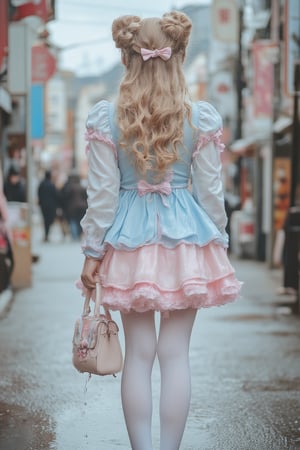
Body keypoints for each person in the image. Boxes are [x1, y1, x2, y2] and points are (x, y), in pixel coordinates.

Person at [80, 12, 242, 450]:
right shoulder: (200, 118)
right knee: (176, 356)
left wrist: (93, 251)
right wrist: (220, 241)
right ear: (180, 56)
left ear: (127, 58)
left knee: (139, 355)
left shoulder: (106, 118)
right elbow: (211, 193)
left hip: (129, 242)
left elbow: (102, 198)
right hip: (187, 238)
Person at [60, 171, 87, 240]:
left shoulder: (70, 188)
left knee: (73, 221)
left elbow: (65, 198)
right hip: (83, 207)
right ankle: (78, 234)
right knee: (80, 221)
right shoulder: (82, 187)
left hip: (73, 208)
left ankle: (75, 236)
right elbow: (86, 197)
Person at [38, 169, 58, 242]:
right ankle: (47, 234)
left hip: (43, 206)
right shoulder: (51, 185)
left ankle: (46, 235)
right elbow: (55, 195)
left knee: (45, 220)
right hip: (51, 206)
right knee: (49, 220)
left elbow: (39, 194)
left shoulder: (41, 184)